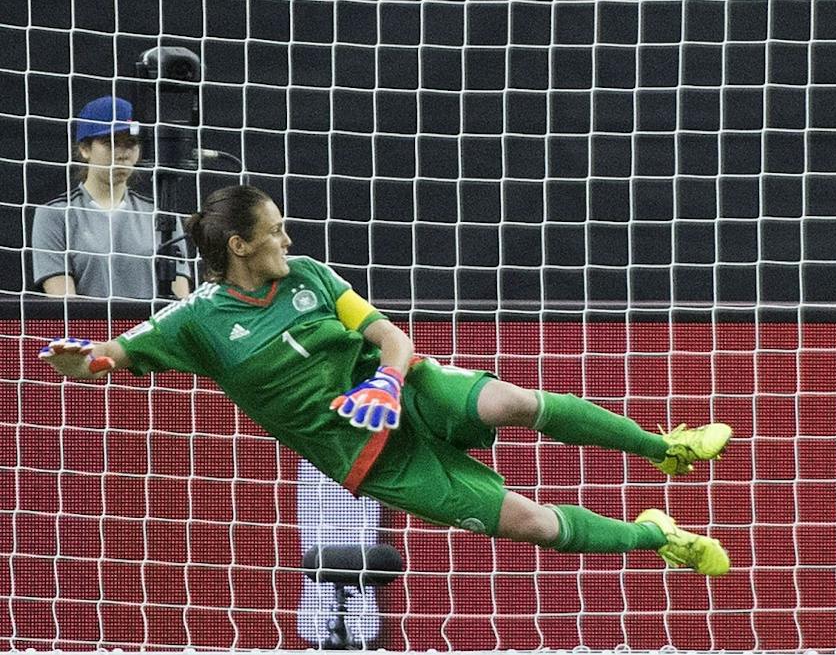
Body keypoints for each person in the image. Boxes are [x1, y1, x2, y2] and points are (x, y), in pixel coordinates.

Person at [39, 184, 734, 577]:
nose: (288, 239)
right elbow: (108, 358)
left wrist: (389, 384)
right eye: (274, 233)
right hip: (368, 457)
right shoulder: (194, 322)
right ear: (241, 247)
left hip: (401, 390)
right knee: (530, 523)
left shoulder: (309, 275)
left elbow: (390, 337)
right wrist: (83, 361)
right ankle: (656, 538)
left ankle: (662, 449)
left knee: (512, 400)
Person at [30, 96, 192, 300]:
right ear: (84, 149)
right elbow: (65, 305)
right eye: (110, 143)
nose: (122, 154)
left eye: (131, 143)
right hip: (89, 330)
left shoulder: (161, 215)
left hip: (154, 331)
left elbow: (181, 302)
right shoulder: (54, 215)